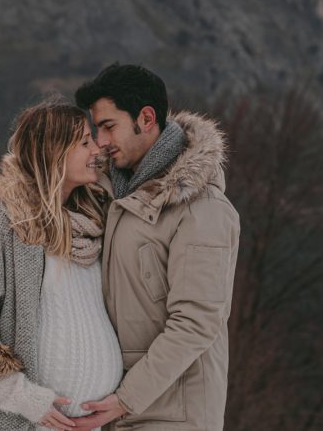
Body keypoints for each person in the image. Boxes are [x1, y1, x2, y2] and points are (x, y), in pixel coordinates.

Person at [0, 100, 124, 430]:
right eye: (84, 142)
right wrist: (28, 400)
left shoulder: (93, 226)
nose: (96, 149)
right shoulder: (5, 228)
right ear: (53, 151)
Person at [70, 63, 241, 431]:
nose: (100, 140)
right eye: (96, 128)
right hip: (120, 410)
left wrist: (124, 400)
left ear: (146, 118)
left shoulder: (202, 209)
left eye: (109, 126)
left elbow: (195, 323)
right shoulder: (116, 194)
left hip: (173, 416)